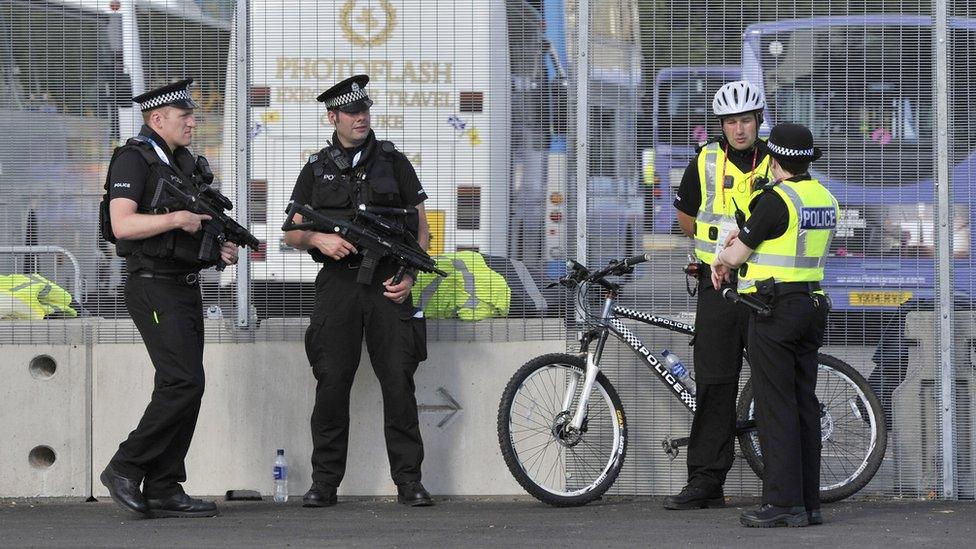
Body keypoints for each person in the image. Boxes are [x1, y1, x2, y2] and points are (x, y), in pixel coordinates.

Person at [282, 74, 434, 508]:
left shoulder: (394, 161)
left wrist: (409, 276)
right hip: (339, 284)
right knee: (331, 383)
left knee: (399, 384)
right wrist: (319, 240)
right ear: (333, 117)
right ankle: (324, 483)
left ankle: (409, 482)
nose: (360, 117)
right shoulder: (316, 168)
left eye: (364, 109)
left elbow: (421, 230)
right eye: (351, 112)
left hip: (388, 282)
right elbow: (291, 234)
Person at [99, 78, 239, 518]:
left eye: (193, 115)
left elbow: (184, 229)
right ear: (157, 119)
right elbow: (122, 226)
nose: (193, 123)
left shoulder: (181, 164)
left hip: (182, 284)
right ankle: (125, 466)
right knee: (184, 381)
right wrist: (179, 217)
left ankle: (163, 484)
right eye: (185, 116)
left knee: (183, 384)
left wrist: (216, 248)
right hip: (152, 284)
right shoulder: (133, 160)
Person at [710, 122, 838, 527]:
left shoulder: (775, 200)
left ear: (774, 158)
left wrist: (723, 257)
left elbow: (735, 257)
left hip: (774, 311)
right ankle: (807, 502)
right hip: (812, 305)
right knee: (803, 405)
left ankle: (782, 503)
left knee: (774, 406)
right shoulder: (824, 198)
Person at [664, 80, 771, 510]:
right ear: (721, 125)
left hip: (765, 287)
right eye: (731, 121)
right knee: (714, 384)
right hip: (718, 288)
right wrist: (722, 250)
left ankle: (784, 483)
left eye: (746, 120)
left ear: (758, 121)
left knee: (773, 383)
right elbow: (686, 218)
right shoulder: (705, 160)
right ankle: (706, 482)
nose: (739, 129)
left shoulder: (777, 160)